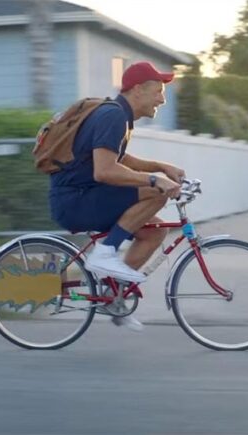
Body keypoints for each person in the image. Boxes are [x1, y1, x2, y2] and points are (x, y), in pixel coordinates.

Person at [48, 61, 185, 331]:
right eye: (158, 91)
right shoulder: (113, 116)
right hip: (75, 201)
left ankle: (115, 298)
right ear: (137, 90)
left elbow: (120, 159)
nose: (162, 99)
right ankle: (106, 253)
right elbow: (105, 171)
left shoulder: (118, 116)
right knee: (155, 193)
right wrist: (156, 180)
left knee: (154, 232)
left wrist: (161, 166)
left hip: (84, 196)